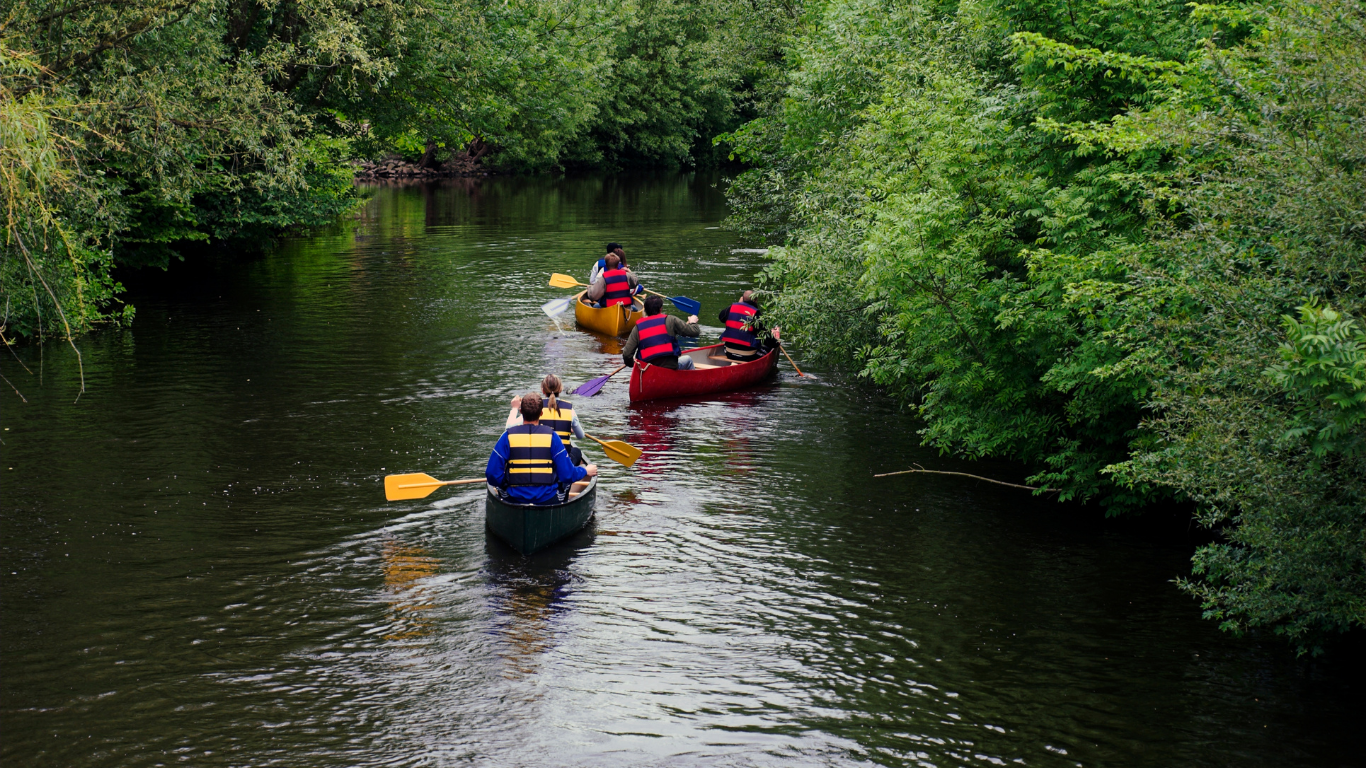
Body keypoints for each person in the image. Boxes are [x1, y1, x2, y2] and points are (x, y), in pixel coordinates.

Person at [487, 392, 597, 505]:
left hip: (514, 498)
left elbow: (492, 474)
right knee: (565, 480)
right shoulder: (552, 436)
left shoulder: (506, 436)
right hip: (547, 498)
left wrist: (505, 483)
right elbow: (567, 474)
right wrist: (585, 471)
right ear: (541, 413)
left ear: (521, 411)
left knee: (499, 484)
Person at [505, 375, 586, 465]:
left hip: (541, 457)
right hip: (562, 461)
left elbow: (509, 427)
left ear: (543, 390)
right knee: (576, 451)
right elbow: (580, 436)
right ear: (560, 389)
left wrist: (514, 408)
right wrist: (568, 428)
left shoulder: (536, 406)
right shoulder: (570, 409)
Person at [622, 295, 700, 370]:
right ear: (660, 309)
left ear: (645, 310)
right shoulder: (671, 320)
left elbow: (627, 354)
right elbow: (694, 331)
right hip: (670, 368)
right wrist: (693, 322)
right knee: (688, 360)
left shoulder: (637, 327)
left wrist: (634, 364)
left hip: (647, 369)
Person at [718, 290, 781, 361]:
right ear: (755, 300)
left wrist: (739, 304)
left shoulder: (730, 308)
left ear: (742, 298)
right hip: (747, 355)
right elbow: (767, 337)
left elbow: (721, 318)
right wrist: (776, 343)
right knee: (767, 347)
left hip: (729, 352)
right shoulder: (756, 314)